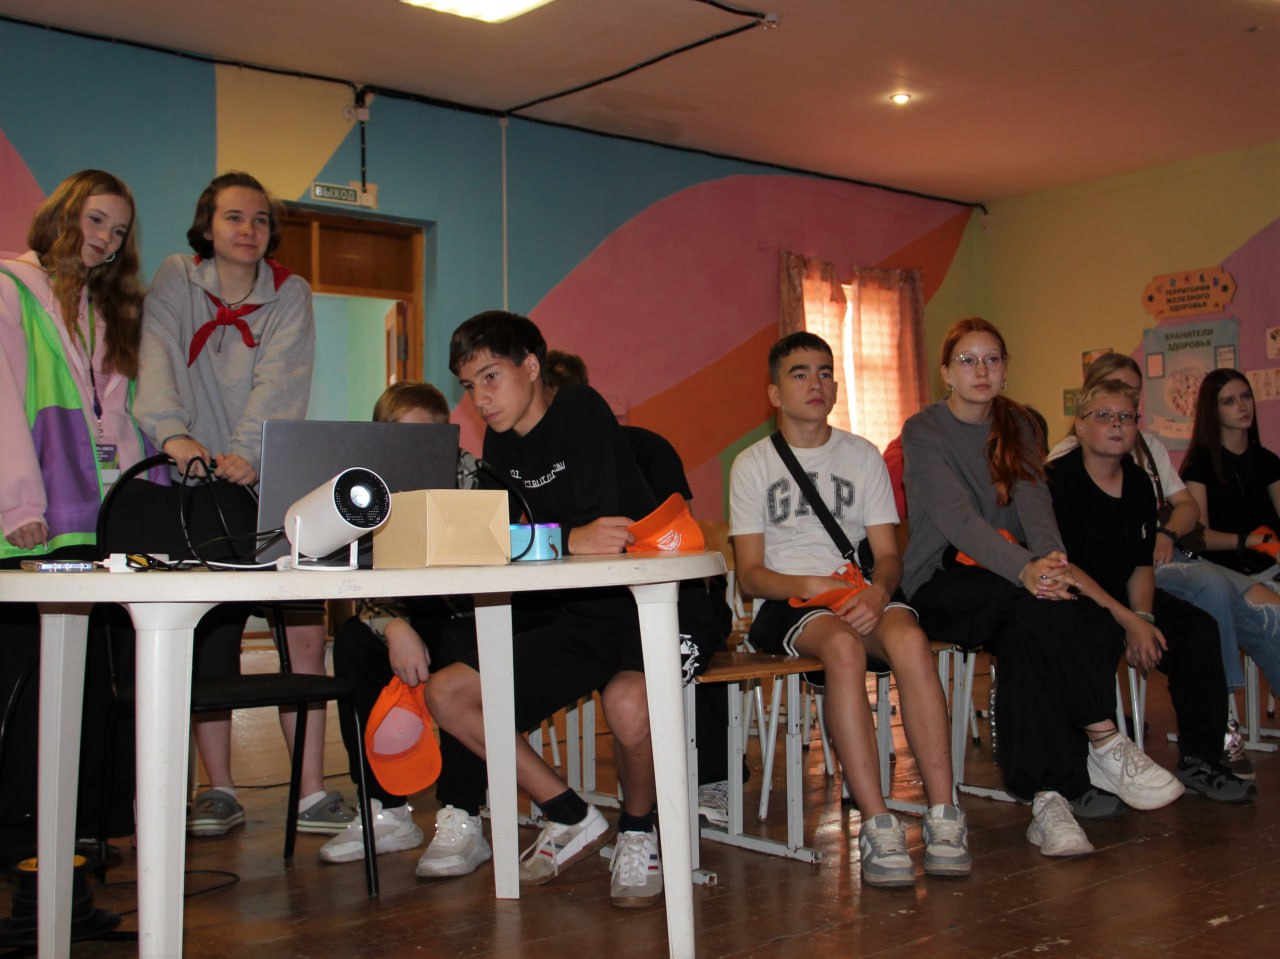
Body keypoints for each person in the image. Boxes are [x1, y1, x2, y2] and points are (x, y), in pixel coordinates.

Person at [421, 311, 716, 908]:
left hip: (662, 607)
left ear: (531, 366)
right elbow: (504, 539)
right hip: (585, 617)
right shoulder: (501, 443)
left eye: (491, 377)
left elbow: (603, 531)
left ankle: (638, 831)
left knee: (628, 703)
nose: (480, 399)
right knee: (448, 693)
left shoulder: (580, 407)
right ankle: (570, 813)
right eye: (470, 386)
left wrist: (552, 540)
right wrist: (563, 539)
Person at [902, 317, 1183, 859]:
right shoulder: (924, 430)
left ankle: (1049, 800)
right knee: (1036, 608)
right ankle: (1102, 737)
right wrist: (1027, 570)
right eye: (967, 360)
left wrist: (1052, 561)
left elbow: (1036, 504)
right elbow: (959, 520)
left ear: (1006, 369)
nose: (981, 370)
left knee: (1048, 621)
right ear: (946, 373)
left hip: (1016, 582)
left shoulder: (1020, 425)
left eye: (992, 359)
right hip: (942, 581)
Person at [134, 172, 349, 838]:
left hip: (267, 478)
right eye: (233, 216)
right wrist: (174, 435)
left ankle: (311, 792)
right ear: (207, 226)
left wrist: (246, 452)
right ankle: (220, 789)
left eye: (259, 219)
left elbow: (282, 379)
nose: (248, 229)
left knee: (303, 635)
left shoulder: (291, 293)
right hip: (192, 481)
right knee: (213, 638)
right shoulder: (177, 277)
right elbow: (157, 358)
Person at [728, 331, 967, 888]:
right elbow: (751, 573)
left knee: (909, 640)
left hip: (861, 591)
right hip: (791, 600)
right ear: (774, 392)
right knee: (840, 646)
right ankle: (878, 824)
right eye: (800, 374)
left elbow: (888, 555)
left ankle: (944, 813)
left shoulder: (861, 455)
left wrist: (878, 594)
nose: (816, 383)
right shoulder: (752, 465)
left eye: (825, 372)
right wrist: (813, 584)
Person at [0, 171, 159, 849]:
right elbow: (2, 400)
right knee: (34, 690)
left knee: (95, 689)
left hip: (101, 526)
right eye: (96, 220)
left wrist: (143, 507)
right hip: (36, 524)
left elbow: (123, 417)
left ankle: (85, 839)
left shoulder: (108, 311)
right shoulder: (9, 289)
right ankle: (24, 847)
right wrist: (17, 504)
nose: (106, 240)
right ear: (63, 214)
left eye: (118, 232)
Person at [1049, 353, 1280, 779]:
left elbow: (1149, 553)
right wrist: (1131, 620)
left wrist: (1145, 610)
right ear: (1081, 421)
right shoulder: (1058, 475)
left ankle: (1203, 756)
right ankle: (1094, 763)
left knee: (1215, 625)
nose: (1118, 420)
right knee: (1202, 592)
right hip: (1079, 595)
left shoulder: (1139, 473)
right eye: (1105, 412)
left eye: (1128, 409)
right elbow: (1063, 565)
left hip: (1143, 580)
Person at [542, 348, 734, 822]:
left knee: (683, 634)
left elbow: (678, 537)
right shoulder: (540, 467)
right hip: (588, 607)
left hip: (672, 595)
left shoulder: (647, 448)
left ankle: (709, 778)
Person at [319, 380, 483, 871]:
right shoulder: (365, 488)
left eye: (425, 436)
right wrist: (392, 627)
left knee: (460, 641)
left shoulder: (473, 476)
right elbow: (363, 573)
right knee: (352, 642)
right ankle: (384, 808)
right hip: (404, 614)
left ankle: (462, 813)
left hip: (467, 614)